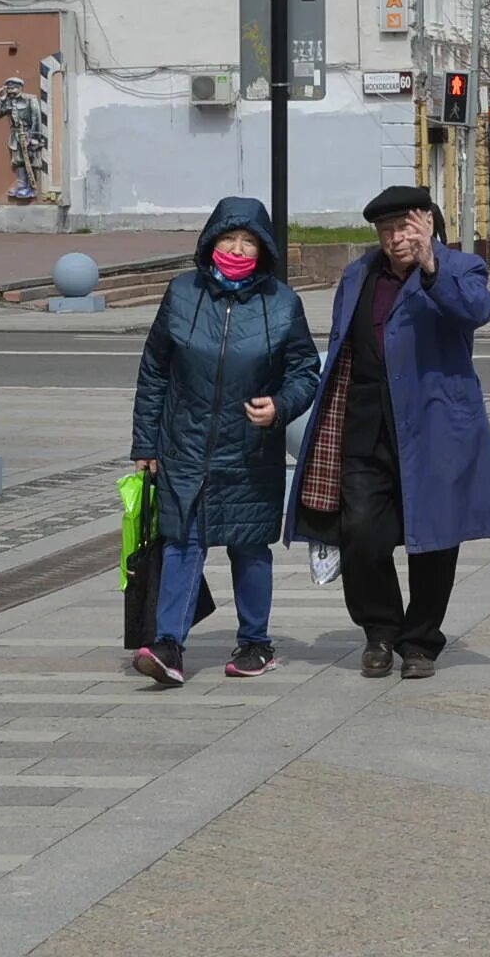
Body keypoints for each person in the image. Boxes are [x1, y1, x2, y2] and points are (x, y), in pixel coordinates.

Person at [290, 186, 490, 680]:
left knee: (434, 538)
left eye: (405, 228)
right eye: (387, 231)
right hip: (365, 422)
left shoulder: (457, 268)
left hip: (434, 425)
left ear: (427, 226)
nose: (395, 239)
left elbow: (477, 311)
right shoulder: (358, 275)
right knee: (361, 533)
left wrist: (432, 263)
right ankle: (380, 631)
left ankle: (421, 642)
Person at [131, 197, 320, 688]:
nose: (237, 249)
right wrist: (145, 443)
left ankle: (256, 642)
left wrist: (279, 406)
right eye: (228, 239)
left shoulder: (281, 303)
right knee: (181, 544)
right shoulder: (181, 293)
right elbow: (153, 371)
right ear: (211, 241)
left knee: (250, 546)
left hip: (250, 450)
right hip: (184, 447)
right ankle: (168, 643)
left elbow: (305, 371)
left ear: (263, 249)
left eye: (248, 242)